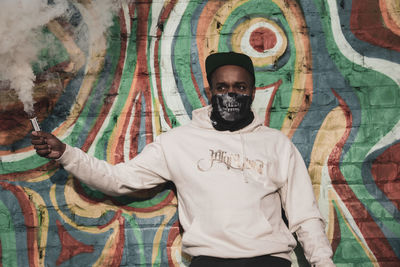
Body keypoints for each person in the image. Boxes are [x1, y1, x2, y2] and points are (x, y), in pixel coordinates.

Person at [32, 52, 335, 267]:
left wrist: (323, 263)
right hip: (210, 262)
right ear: (210, 92)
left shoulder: (277, 145)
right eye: (222, 87)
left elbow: (305, 215)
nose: (231, 94)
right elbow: (119, 180)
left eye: (240, 87)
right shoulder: (179, 143)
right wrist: (66, 154)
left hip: (271, 262)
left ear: (252, 92)